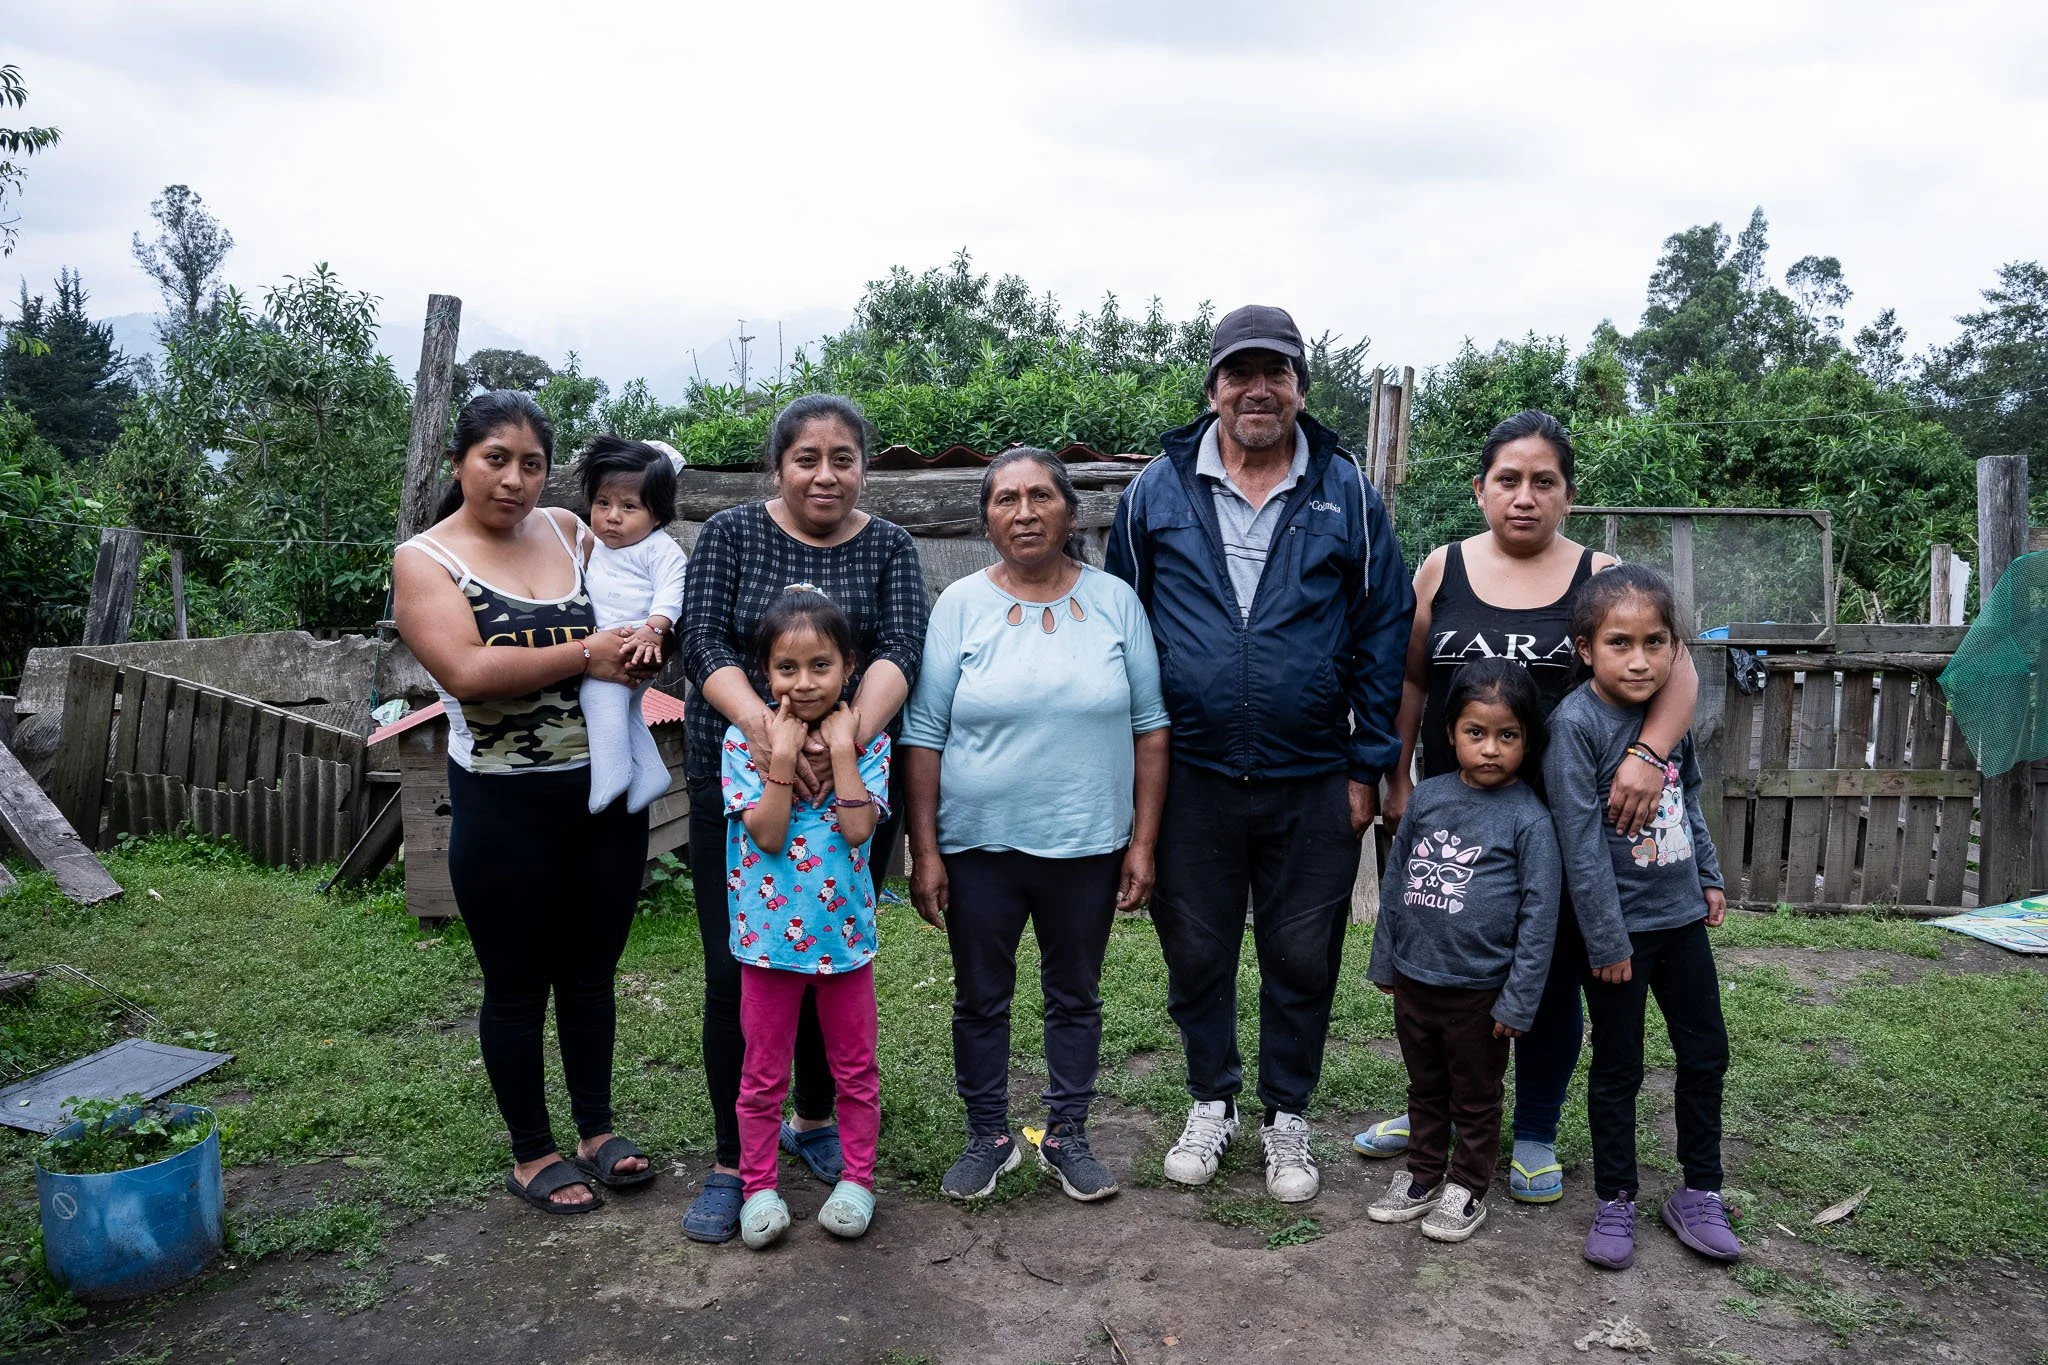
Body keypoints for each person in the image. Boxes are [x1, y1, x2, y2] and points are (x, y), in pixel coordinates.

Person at [1106, 304, 1415, 1204]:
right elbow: (1120, 624)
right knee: (1195, 949)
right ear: (1212, 387)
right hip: (1190, 774)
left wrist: (1368, 762)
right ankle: (1211, 1099)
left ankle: (1287, 1115)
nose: (1257, 388)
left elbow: (1383, 626)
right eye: (1239, 372)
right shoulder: (1154, 491)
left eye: (1275, 372)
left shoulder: (1346, 490)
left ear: (1300, 388)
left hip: (1312, 776)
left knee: (1302, 956)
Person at [1354, 410, 1700, 1207]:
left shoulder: (1602, 572)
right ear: (1480, 489)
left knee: (1542, 978)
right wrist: (1399, 775)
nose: (1524, 495)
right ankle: (1430, 1118)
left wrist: (1649, 755)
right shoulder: (1441, 569)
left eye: (1544, 481)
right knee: (1437, 971)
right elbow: (1411, 679)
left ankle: (1535, 1126)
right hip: (1453, 816)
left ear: (1568, 496)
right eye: (1508, 478)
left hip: (1562, 822)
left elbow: (1678, 667)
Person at [392, 391, 656, 1213]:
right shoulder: (427, 560)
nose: (514, 480)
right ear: (460, 463)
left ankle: (596, 1130)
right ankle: (532, 1151)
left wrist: (647, 646)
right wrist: (590, 652)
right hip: (505, 809)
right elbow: (467, 672)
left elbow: (638, 615)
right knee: (516, 985)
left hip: (606, 796)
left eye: (532, 464)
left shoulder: (576, 532)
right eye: (495, 459)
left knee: (591, 975)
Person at [678, 394, 928, 1242]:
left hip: (853, 773)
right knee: (737, 968)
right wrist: (773, 733)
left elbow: (901, 648)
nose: (825, 473)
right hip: (749, 772)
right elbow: (704, 643)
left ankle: (817, 1121)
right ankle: (731, 1162)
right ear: (776, 465)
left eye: (843, 457)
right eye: (806, 457)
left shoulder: (891, 545)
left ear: (864, 464)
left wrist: (842, 736)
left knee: (829, 956)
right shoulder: (731, 536)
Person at [901, 449, 1171, 1204]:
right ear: (986, 517)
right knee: (980, 996)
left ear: (1071, 511)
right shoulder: (958, 604)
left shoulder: (1117, 601)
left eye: (1041, 496)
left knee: (1075, 995)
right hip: (979, 843)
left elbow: (1151, 726)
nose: (1024, 511)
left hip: (1087, 842)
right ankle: (988, 1135)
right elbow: (923, 731)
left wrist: (1142, 841)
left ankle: (1068, 1134)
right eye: (1007, 499)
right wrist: (925, 849)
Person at [1543, 565, 1738, 1270]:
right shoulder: (1575, 726)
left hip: (1681, 920)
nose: (1639, 658)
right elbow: (1579, 842)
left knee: (1705, 1053)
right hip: (1618, 937)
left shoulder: (1667, 716)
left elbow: (1685, 798)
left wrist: (1709, 876)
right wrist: (1605, 935)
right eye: (1619, 642)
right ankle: (1617, 1196)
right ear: (1585, 648)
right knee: (1619, 1065)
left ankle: (1700, 1191)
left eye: (1656, 642)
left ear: (1674, 646)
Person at [1365, 658, 1559, 1244]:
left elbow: (1539, 917)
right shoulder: (1427, 800)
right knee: (1424, 1086)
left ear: (1528, 740)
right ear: (1451, 733)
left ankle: (1468, 1186)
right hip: (1415, 980)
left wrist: (1517, 1002)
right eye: (1477, 733)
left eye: (1508, 736)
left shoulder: (1530, 819)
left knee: (1475, 1097)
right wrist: (1385, 960)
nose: (1492, 749)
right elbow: (1397, 878)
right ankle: (1423, 1175)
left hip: (1480, 992)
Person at [722, 587, 889, 1249]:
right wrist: (784, 759)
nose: (804, 681)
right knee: (762, 1073)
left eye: (821, 664)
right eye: (787, 667)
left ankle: (858, 1180)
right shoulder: (745, 741)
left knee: (856, 1069)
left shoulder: (868, 741)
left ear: (848, 666)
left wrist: (842, 750)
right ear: (766, 671)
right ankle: (757, 1186)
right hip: (767, 946)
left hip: (845, 943)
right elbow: (764, 834)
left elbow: (856, 829)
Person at [577, 436, 689, 814]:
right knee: (628, 713)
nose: (612, 516)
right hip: (612, 645)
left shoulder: (659, 549)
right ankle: (652, 772)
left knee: (598, 695)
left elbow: (672, 592)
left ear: (657, 515)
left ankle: (612, 774)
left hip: (635, 646)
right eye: (602, 503)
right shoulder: (596, 547)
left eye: (629, 507)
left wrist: (654, 629)